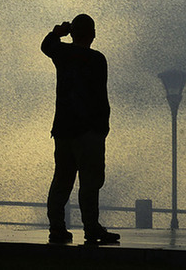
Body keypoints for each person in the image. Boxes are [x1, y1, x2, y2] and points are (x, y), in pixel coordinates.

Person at [42, 14, 120, 246]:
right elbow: (100, 98)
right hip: (89, 132)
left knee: (62, 180)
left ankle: (57, 227)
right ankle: (91, 227)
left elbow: (47, 46)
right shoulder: (97, 59)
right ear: (93, 34)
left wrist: (58, 32)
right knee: (90, 182)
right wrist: (102, 127)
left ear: (73, 33)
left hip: (64, 129)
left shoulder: (63, 54)